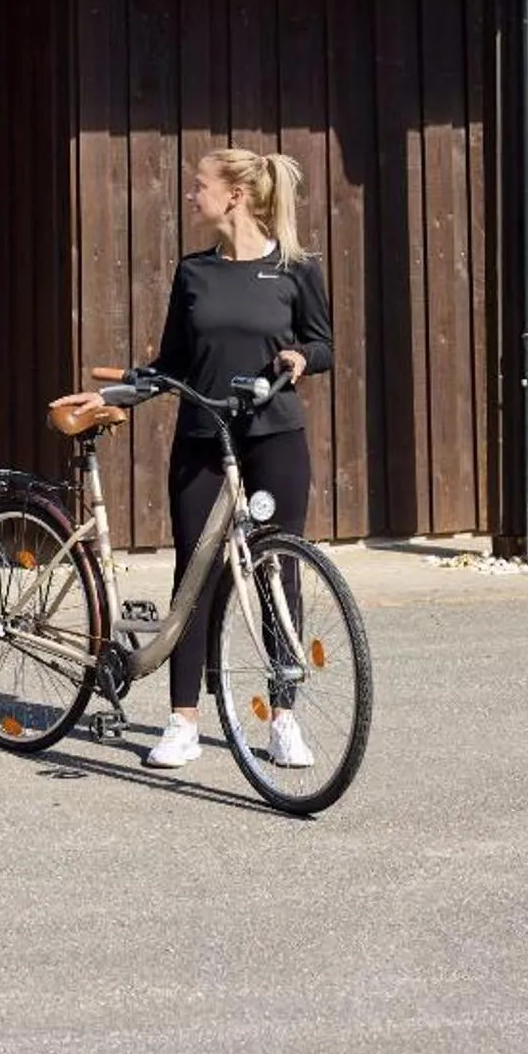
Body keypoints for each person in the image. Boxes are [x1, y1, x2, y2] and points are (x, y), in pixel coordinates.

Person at [90, 147, 333, 772]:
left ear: (235, 195)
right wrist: (111, 396)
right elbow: (171, 364)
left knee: (277, 569)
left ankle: (283, 719)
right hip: (203, 436)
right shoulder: (193, 272)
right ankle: (182, 722)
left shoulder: (295, 268)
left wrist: (301, 358)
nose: (191, 194)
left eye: (199, 185)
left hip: (274, 437)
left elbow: (322, 344)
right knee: (193, 576)